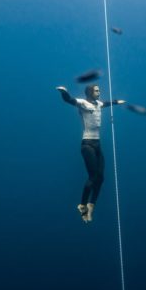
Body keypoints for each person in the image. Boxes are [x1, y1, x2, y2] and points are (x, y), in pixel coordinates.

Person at [56, 84, 124, 223]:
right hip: (87, 145)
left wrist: (116, 102)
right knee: (93, 177)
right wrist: (64, 92)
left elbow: (106, 103)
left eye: (100, 90)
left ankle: (91, 205)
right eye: (97, 90)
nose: (99, 92)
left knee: (101, 178)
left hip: (98, 145)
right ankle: (82, 205)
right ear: (89, 92)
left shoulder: (98, 103)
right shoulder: (82, 103)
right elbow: (68, 100)